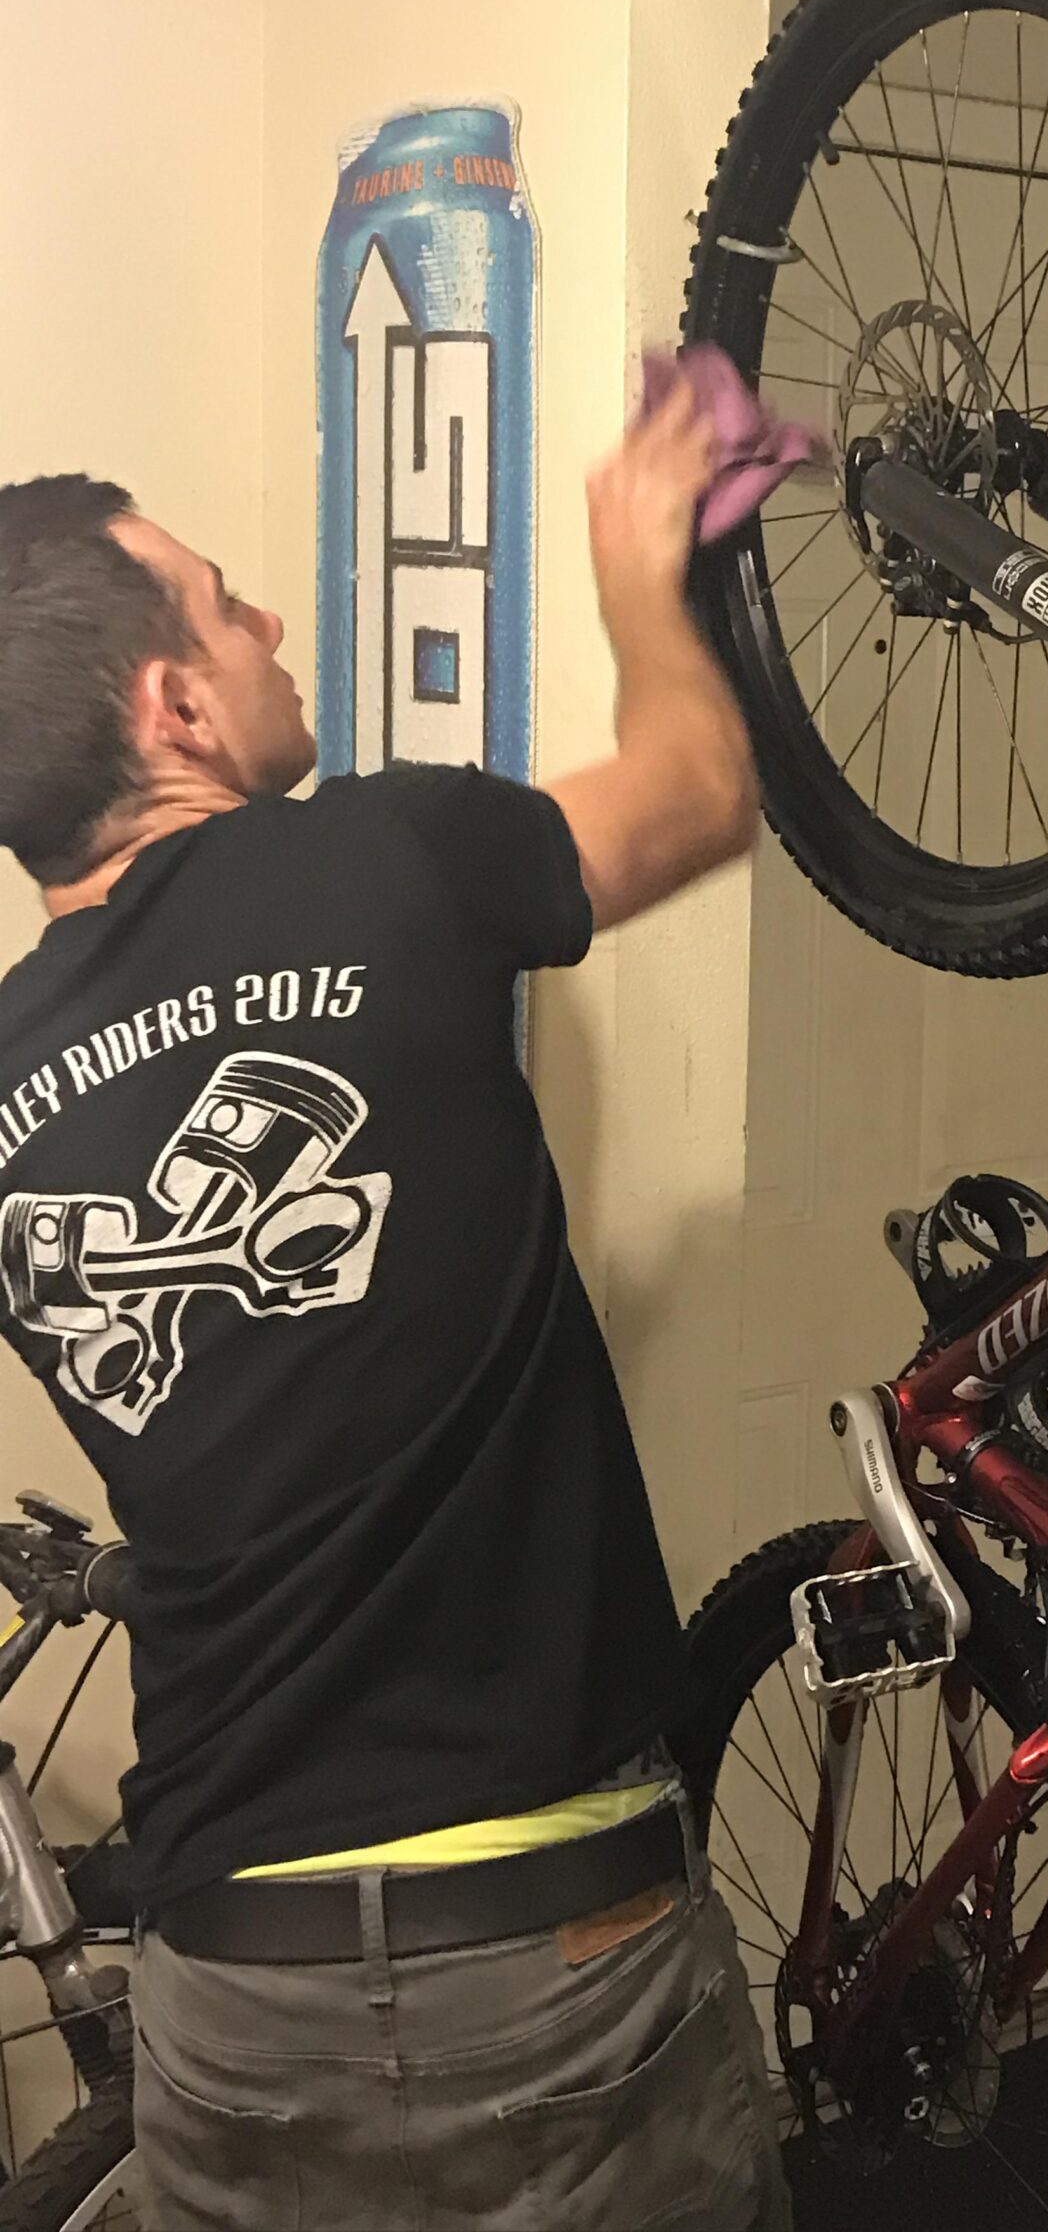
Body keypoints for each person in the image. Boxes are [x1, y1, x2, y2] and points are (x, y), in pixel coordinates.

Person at [0, 387, 789, 2231]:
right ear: (173, 708)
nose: (270, 626)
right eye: (223, 602)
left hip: (229, 1982)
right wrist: (633, 576)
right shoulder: (380, 855)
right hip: (548, 1938)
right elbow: (695, 786)